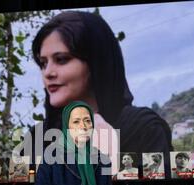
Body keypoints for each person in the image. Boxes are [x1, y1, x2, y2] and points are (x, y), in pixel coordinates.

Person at [26, 11, 172, 176]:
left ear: (95, 62)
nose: (48, 73)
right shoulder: (38, 138)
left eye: (61, 59)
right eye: (43, 63)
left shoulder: (142, 129)